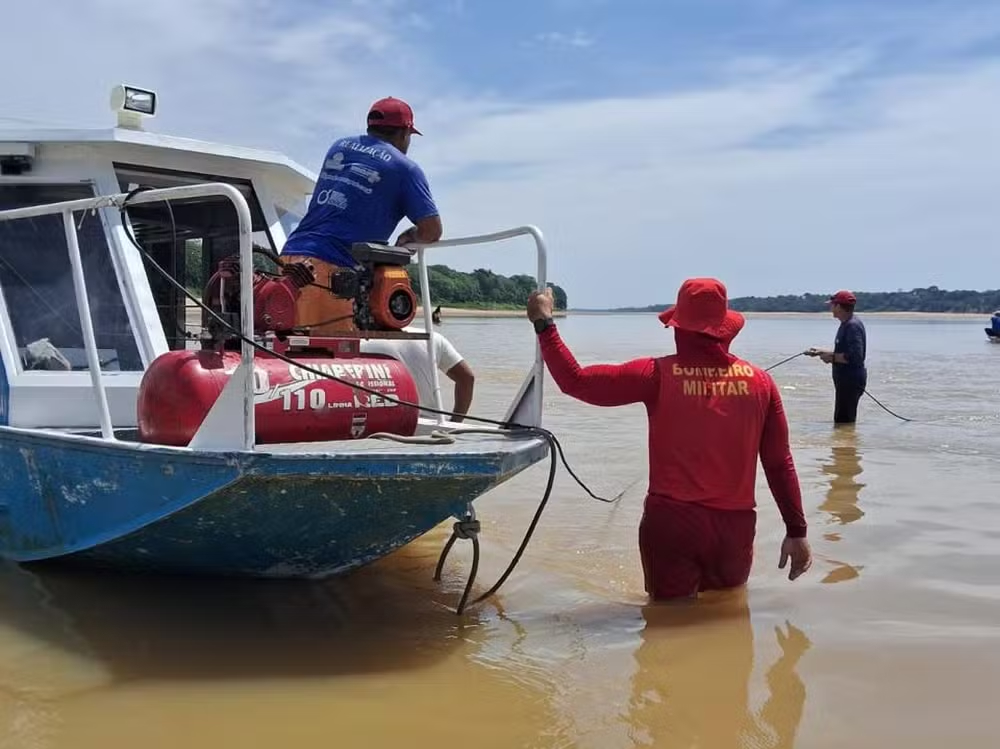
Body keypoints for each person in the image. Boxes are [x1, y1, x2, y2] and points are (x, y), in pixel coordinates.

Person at [526, 279, 811, 600]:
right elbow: (778, 463)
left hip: (672, 524)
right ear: (725, 330)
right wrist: (796, 531)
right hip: (735, 529)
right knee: (725, 617)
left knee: (666, 624)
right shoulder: (761, 382)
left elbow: (575, 381)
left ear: (680, 328)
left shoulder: (656, 374)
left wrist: (544, 323)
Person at [280, 97, 443, 335]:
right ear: (405, 132)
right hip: (333, 272)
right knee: (331, 359)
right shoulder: (406, 169)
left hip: (290, 258)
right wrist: (409, 235)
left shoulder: (339, 146)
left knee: (289, 355)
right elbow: (432, 231)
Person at [360, 327, 475, 422]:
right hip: (433, 426)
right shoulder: (432, 338)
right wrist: (455, 422)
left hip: (385, 425)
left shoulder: (359, 342)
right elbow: (467, 378)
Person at [805, 290, 867, 425]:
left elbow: (856, 357)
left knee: (843, 422)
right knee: (843, 423)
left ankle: (846, 445)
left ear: (838, 306)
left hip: (851, 381)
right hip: (846, 380)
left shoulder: (852, 326)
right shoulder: (847, 323)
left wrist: (831, 358)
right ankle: (845, 444)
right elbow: (845, 352)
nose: (830, 308)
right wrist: (821, 352)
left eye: (832, 305)